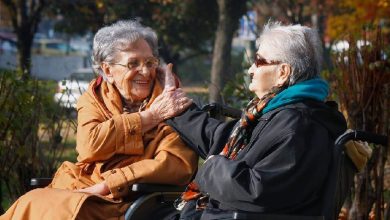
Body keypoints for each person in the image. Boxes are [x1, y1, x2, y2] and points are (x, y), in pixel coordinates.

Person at [1, 20, 197, 219]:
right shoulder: (95, 97)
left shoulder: (170, 102)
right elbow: (89, 146)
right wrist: (149, 117)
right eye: (133, 63)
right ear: (109, 70)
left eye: (149, 62)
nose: (145, 71)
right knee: (31, 201)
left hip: (123, 199)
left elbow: (175, 164)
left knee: (54, 210)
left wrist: (107, 184)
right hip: (80, 185)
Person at [160, 22, 348, 219]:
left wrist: (212, 168)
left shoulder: (300, 125)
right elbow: (224, 139)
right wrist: (179, 110)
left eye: (258, 61)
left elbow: (259, 191)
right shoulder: (279, 113)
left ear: (282, 73)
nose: (250, 69)